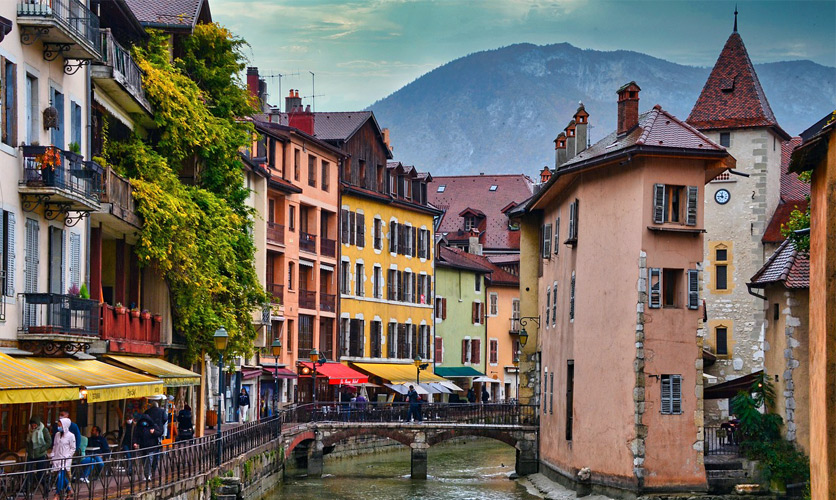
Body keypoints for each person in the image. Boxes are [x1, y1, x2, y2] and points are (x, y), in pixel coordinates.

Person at [25, 416, 52, 494]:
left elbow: (49, 442)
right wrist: (28, 449)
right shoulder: (30, 431)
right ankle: (27, 492)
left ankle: (45, 489)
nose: (33, 426)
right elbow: (28, 442)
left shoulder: (43, 430)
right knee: (28, 474)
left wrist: (42, 450)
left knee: (40, 474)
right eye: (32, 424)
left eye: (34, 424)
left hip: (40, 455)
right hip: (31, 455)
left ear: (38, 424)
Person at [131, 413, 161, 481]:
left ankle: (148, 475)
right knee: (144, 461)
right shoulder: (139, 427)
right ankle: (146, 474)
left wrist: (154, 432)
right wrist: (135, 443)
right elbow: (135, 436)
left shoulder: (153, 426)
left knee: (149, 460)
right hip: (143, 446)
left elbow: (159, 432)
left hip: (151, 447)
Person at [51, 417, 76, 500]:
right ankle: (69, 490)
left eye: (60, 425)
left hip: (65, 459)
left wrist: (68, 456)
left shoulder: (71, 436)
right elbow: (54, 445)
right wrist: (52, 455)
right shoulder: (57, 435)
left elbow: (73, 448)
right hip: (57, 458)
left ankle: (57, 493)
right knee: (59, 476)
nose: (59, 427)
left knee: (61, 474)